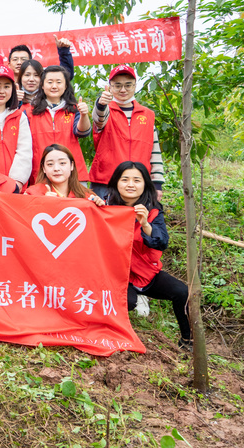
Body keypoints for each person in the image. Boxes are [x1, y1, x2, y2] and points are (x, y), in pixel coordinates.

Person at [106, 161, 190, 351]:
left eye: (137, 180)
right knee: (128, 302)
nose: (130, 184)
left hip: (146, 272)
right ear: (116, 182)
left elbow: (162, 242)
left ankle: (187, 341)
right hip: (117, 275)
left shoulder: (152, 209)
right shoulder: (106, 206)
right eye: (125, 179)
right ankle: (114, 334)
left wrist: (145, 224)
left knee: (181, 292)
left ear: (145, 184)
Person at [89, 65, 165, 200]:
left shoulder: (147, 115)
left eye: (128, 85)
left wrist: (157, 184)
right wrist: (101, 104)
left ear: (135, 86)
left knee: (138, 214)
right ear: (110, 87)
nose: (123, 90)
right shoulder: (106, 110)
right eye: (117, 85)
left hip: (137, 182)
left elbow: (154, 151)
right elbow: (99, 119)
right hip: (105, 181)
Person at [26, 65, 92, 186]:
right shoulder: (29, 112)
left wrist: (83, 115)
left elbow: (82, 132)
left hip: (73, 174)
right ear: (42, 85)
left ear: (65, 86)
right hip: (42, 174)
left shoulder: (74, 109)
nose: (54, 86)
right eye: (50, 82)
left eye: (59, 82)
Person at [25, 144, 104, 205]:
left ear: (71, 166)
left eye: (62, 163)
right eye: (50, 164)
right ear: (43, 168)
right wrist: (41, 204)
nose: (56, 168)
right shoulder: (32, 194)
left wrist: (99, 206)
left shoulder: (87, 196)